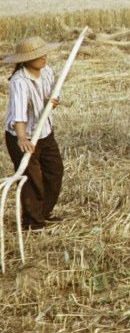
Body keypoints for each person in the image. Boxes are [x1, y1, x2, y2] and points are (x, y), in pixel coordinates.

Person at [3, 36, 64, 231]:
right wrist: (22, 138)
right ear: (26, 59)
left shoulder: (47, 72)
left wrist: (51, 103)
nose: (43, 57)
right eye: (38, 55)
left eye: (43, 53)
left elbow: (47, 100)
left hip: (44, 131)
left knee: (55, 172)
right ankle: (33, 223)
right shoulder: (19, 81)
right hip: (22, 135)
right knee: (31, 179)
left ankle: (43, 213)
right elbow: (19, 113)